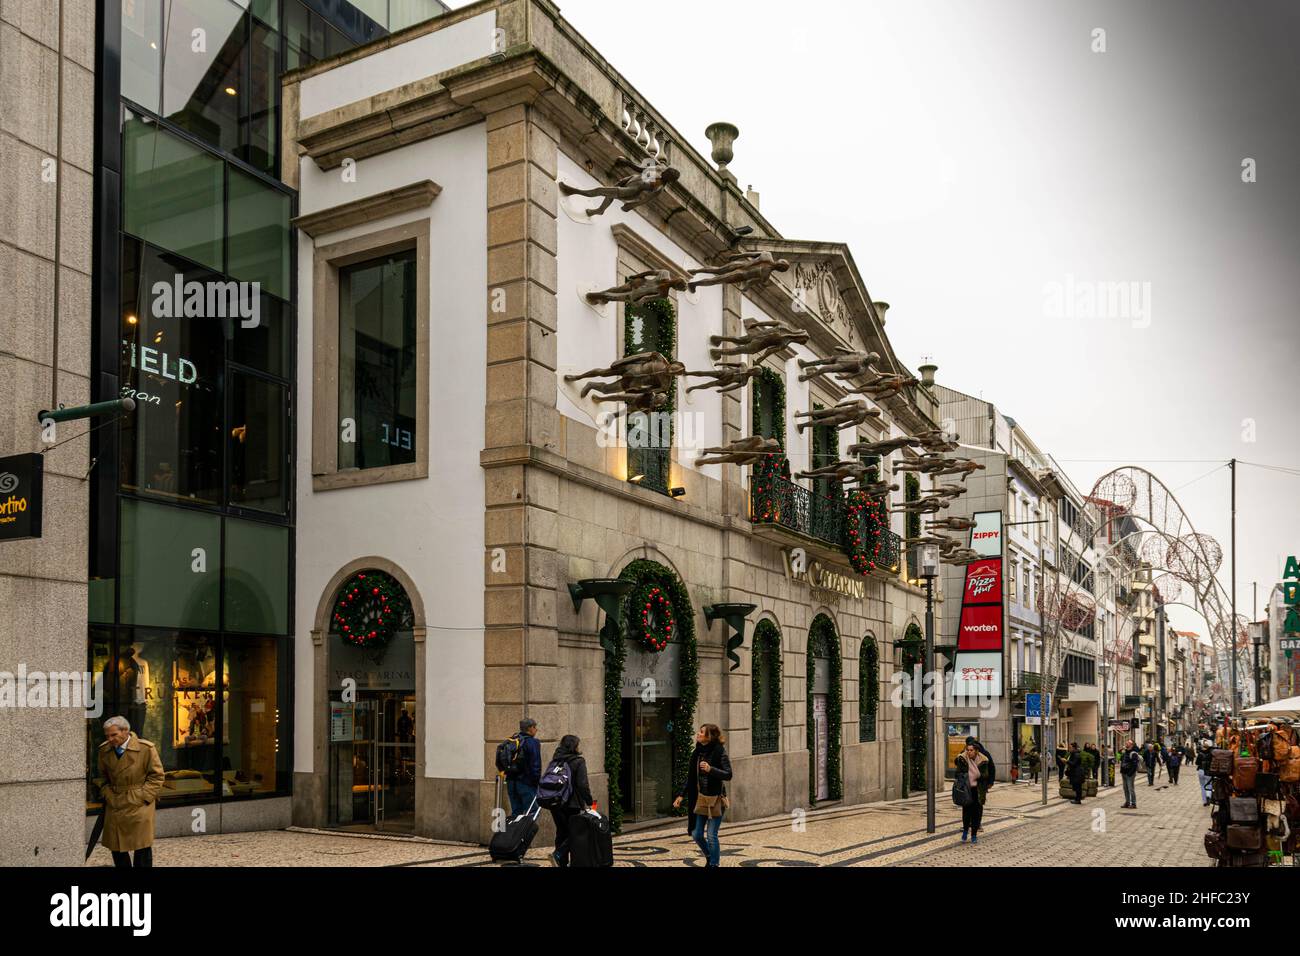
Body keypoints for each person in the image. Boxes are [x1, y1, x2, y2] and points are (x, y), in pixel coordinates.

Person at [96, 716, 165, 868]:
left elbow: (157, 776)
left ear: (126, 731)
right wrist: (107, 793)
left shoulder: (146, 748)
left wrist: (143, 796)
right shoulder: (104, 750)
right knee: (116, 845)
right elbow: (101, 777)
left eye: (114, 735)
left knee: (142, 845)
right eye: (107, 735)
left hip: (139, 802)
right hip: (115, 801)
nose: (110, 739)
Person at [673, 724, 733, 867]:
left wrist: (710, 769)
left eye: (701, 732)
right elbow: (691, 778)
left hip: (716, 799)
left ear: (709, 736)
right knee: (697, 834)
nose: (698, 734)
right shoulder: (697, 753)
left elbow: (728, 774)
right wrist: (681, 795)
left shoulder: (720, 752)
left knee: (711, 836)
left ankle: (714, 864)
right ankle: (709, 856)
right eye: (699, 732)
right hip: (701, 799)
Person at [545, 735, 594, 868]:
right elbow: (582, 784)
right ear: (574, 746)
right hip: (572, 803)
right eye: (578, 744)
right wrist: (589, 800)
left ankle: (561, 863)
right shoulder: (578, 761)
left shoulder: (556, 760)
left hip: (555, 802)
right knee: (575, 832)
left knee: (561, 832)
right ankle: (559, 854)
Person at [954, 742, 992, 843]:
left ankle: (974, 834)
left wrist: (978, 775)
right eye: (968, 750)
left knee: (977, 813)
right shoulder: (962, 759)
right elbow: (957, 774)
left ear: (976, 751)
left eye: (971, 750)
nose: (969, 752)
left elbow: (985, 775)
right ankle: (965, 830)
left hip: (978, 790)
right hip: (967, 789)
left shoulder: (983, 760)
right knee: (966, 811)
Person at [506, 718, 542, 818]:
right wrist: (536, 783)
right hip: (525, 783)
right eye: (535, 727)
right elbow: (535, 765)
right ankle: (524, 834)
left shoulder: (513, 740)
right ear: (530, 728)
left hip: (511, 782)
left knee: (517, 813)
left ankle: (514, 833)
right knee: (533, 812)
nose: (536, 730)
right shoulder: (532, 742)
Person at [1119, 740, 1141, 808]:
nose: (1126, 744)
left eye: (1127, 743)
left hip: (1130, 774)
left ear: (1131, 745)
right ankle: (1127, 802)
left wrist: (1130, 773)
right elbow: (1121, 760)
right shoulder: (1125, 752)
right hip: (1124, 773)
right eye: (1126, 743)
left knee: (1130, 788)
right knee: (1125, 788)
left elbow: (1134, 764)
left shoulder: (1133, 753)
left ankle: (1133, 803)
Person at [1195, 741, 1214, 806]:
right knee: (1209, 785)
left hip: (1201, 770)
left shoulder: (1200, 754)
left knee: (1202, 786)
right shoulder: (1211, 754)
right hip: (1208, 771)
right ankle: (1208, 795)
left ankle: (1204, 801)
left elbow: (1196, 763)